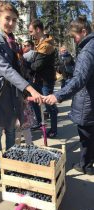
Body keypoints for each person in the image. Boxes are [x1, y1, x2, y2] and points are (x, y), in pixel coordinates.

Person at [0, 2, 42, 172]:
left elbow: (19, 69)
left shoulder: (13, 43)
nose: (11, 23)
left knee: (10, 131)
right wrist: (29, 88)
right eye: (7, 18)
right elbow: (5, 69)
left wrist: (24, 92)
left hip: (13, 94)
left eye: (14, 20)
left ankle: (8, 163)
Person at [43, 16, 94, 175]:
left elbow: (79, 79)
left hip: (87, 102)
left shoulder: (87, 51)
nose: (75, 40)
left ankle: (86, 166)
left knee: (86, 137)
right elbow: (83, 72)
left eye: (75, 36)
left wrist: (58, 95)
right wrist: (70, 63)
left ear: (83, 31)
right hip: (90, 100)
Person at [28, 19, 58, 137]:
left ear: (38, 29)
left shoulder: (46, 44)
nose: (30, 34)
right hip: (38, 79)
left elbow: (37, 65)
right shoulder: (39, 42)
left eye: (31, 31)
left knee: (49, 104)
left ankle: (54, 129)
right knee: (35, 101)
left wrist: (27, 64)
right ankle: (40, 123)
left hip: (46, 80)